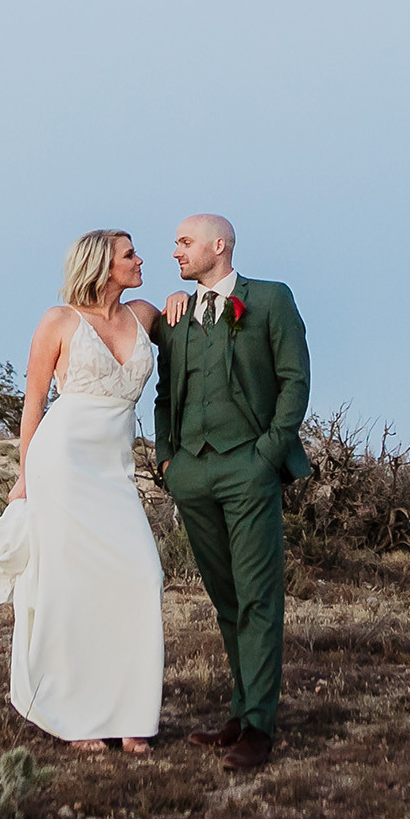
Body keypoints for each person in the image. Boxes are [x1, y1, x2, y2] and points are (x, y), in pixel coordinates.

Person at [0, 229, 166, 755]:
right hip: (60, 465)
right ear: (104, 265)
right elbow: (33, 403)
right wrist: (22, 477)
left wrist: (180, 301)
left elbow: (186, 332)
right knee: (70, 591)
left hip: (114, 472)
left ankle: (132, 714)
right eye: (130, 254)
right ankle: (78, 717)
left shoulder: (145, 315)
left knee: (141, 576)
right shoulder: (58, 321)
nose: (140, 260)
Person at [151, 214, 310, 770]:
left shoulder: (269, 300)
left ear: (218, 246)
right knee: (225, 599)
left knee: (259, 596)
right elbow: (167, 391)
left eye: (184, 242)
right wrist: (167, 457)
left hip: (249, 466)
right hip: (191, 472)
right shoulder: (176, 315)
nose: (175, 252)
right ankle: (240, 713)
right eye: (175, 244)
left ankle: (260, 728)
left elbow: (295, 379)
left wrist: (268, 453)